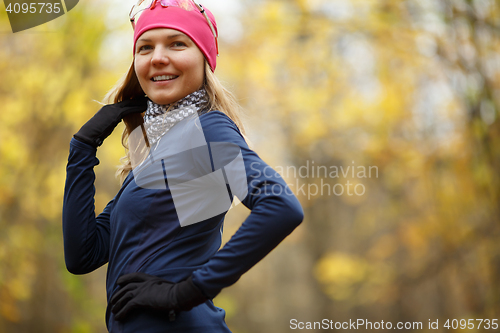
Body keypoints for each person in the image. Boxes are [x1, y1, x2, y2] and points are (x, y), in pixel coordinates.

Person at [62, 0, 304, 332]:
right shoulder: (152, 159)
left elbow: (281, 206)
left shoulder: (207, 128)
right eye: (145, 47)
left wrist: (187, 292)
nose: (158, 56)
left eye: (177, 43)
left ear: (204, 60)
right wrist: (82, 148)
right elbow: (82, 256)